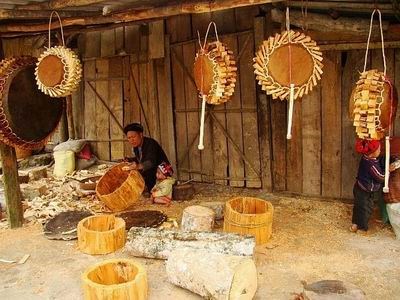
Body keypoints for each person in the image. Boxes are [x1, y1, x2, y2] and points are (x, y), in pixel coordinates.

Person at [350, 139, 395, 232]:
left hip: (360, 187)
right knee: (365, 209)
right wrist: (388, 170)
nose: (380, 151)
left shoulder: (366, 158)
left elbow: (377, 165)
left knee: (358, 207)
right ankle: (362, 229)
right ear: (372, 153)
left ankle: (355, 224)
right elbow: (380, 177)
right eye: (378, 150)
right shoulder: (371, 165)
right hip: (365, 191)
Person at [122, 123, 170, 191]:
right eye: (129, 138)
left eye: (133, 137)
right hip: (153, 173)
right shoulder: (136, 147)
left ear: (141, 135)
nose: (131, 140)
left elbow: (151, 162)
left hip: (163, 172)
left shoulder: (151, 144)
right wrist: (129, 160)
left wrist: (137, 166)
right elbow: (141, 159)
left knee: (143, 171)